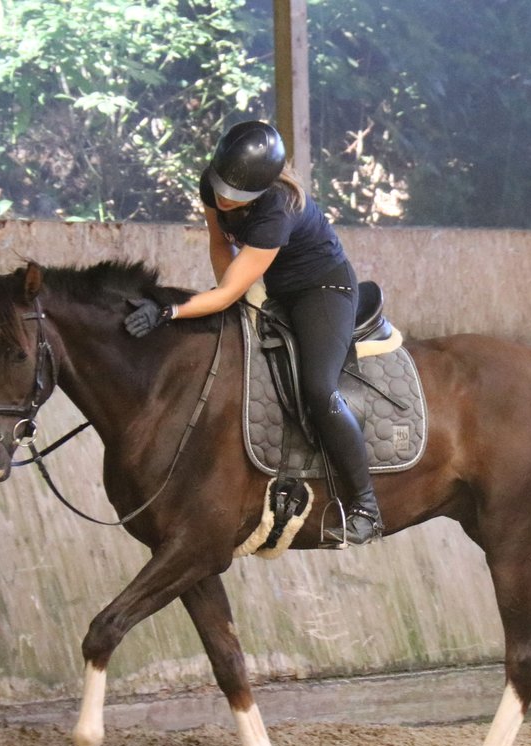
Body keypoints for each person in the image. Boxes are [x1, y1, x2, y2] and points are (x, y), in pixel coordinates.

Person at [124, 120, 382, 546]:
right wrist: (232, 295)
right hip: (276, 288)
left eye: (236, 196)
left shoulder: (278, 207)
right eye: (222, 188)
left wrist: (169, 310)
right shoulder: (213, 185)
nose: (225, 199)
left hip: (322, 290)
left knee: (319, 388)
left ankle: (366, 507)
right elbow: (219, 244)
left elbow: (224, 294)